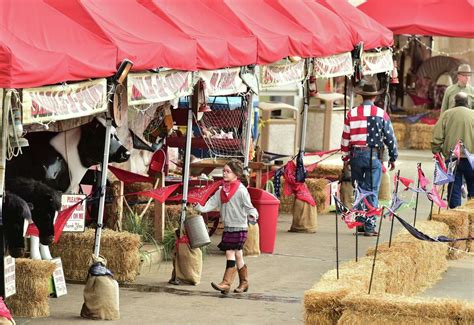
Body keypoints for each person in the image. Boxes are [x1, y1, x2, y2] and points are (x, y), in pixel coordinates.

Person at [340, 83, 398, 236]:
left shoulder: (351, 114)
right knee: (371, 190)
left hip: (355, 156)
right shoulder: (381, 114)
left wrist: (345, 157)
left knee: (359, 188)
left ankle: (359, 221)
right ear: (374, 97)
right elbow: (390, 138)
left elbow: (345, 139)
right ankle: (370, 226)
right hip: (373, 155)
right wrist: (393, 156)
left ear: (361, 96)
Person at [194, 159, 258, 294]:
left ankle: (226, 283)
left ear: (236, 174)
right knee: (238, 255)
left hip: (240, 226)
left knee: (230, 252)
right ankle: (244, 283)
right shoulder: (220, 190)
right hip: (228, 226)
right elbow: (211, 203)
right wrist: (198, 206)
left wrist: (253, 215)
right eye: (223, 171)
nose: (224, 173)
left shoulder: (241, 191)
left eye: (228, 171)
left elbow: (249, 207)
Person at [431, 92, 474, 208]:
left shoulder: (447, 114)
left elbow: (437, 135)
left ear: (455, 102)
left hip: (452, 157)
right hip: (471, 158)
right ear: (468, 102)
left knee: (454, 187)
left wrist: (436, 150)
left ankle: (455, 212)